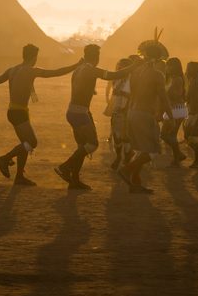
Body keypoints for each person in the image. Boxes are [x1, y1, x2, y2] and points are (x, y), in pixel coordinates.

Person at [0, 44, 81, 186]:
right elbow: (56, 72)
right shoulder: (31, 71)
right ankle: (5, 158)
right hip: (19, 112)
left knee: (25, 144)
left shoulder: (12, 70)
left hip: (13, 110)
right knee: (32, 142)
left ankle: (19, 176)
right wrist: (76, 65)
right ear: (34, 57)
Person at [54, 44, 137, 190]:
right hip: (80, 113)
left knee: (82, 147)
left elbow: (80, 87)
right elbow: (113, 75)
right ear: (95, 57)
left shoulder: (79, 69)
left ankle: (74, 181)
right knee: (92, 144)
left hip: (74, 111)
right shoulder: (90, 69)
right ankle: (65, 167)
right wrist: (133, 67)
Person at [117, 39, 173, 194]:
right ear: (160, 58)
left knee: (141, 151)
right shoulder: (157, 75)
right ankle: (127, 170)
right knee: (153, 151)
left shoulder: (135, 73)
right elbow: (163, 97)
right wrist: (171, 117)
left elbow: (131, 94)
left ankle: (136, 184)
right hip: (143, 114)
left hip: (132, 113)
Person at [104, 57, 135, 170]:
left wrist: (126, 108)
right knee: (117, 137)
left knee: (126, 137)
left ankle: (126, 158)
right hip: (116, 110)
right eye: (119, 66)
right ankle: (119, 157)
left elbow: (133, 96)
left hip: (127, 111)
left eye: (123, 67)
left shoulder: (132, 79)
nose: (120, 68)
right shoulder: (115, 78)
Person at [161, 57, 188, 166]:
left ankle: (178, 154)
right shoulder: (170, 78)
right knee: (170, 135)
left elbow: (177, 94)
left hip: (176, 109)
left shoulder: (177, 79)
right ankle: (177, 156)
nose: (167, 67)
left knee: (165, 135)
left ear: (174, 67)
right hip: (174, 108)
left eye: (169, 65)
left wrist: (166, 93)